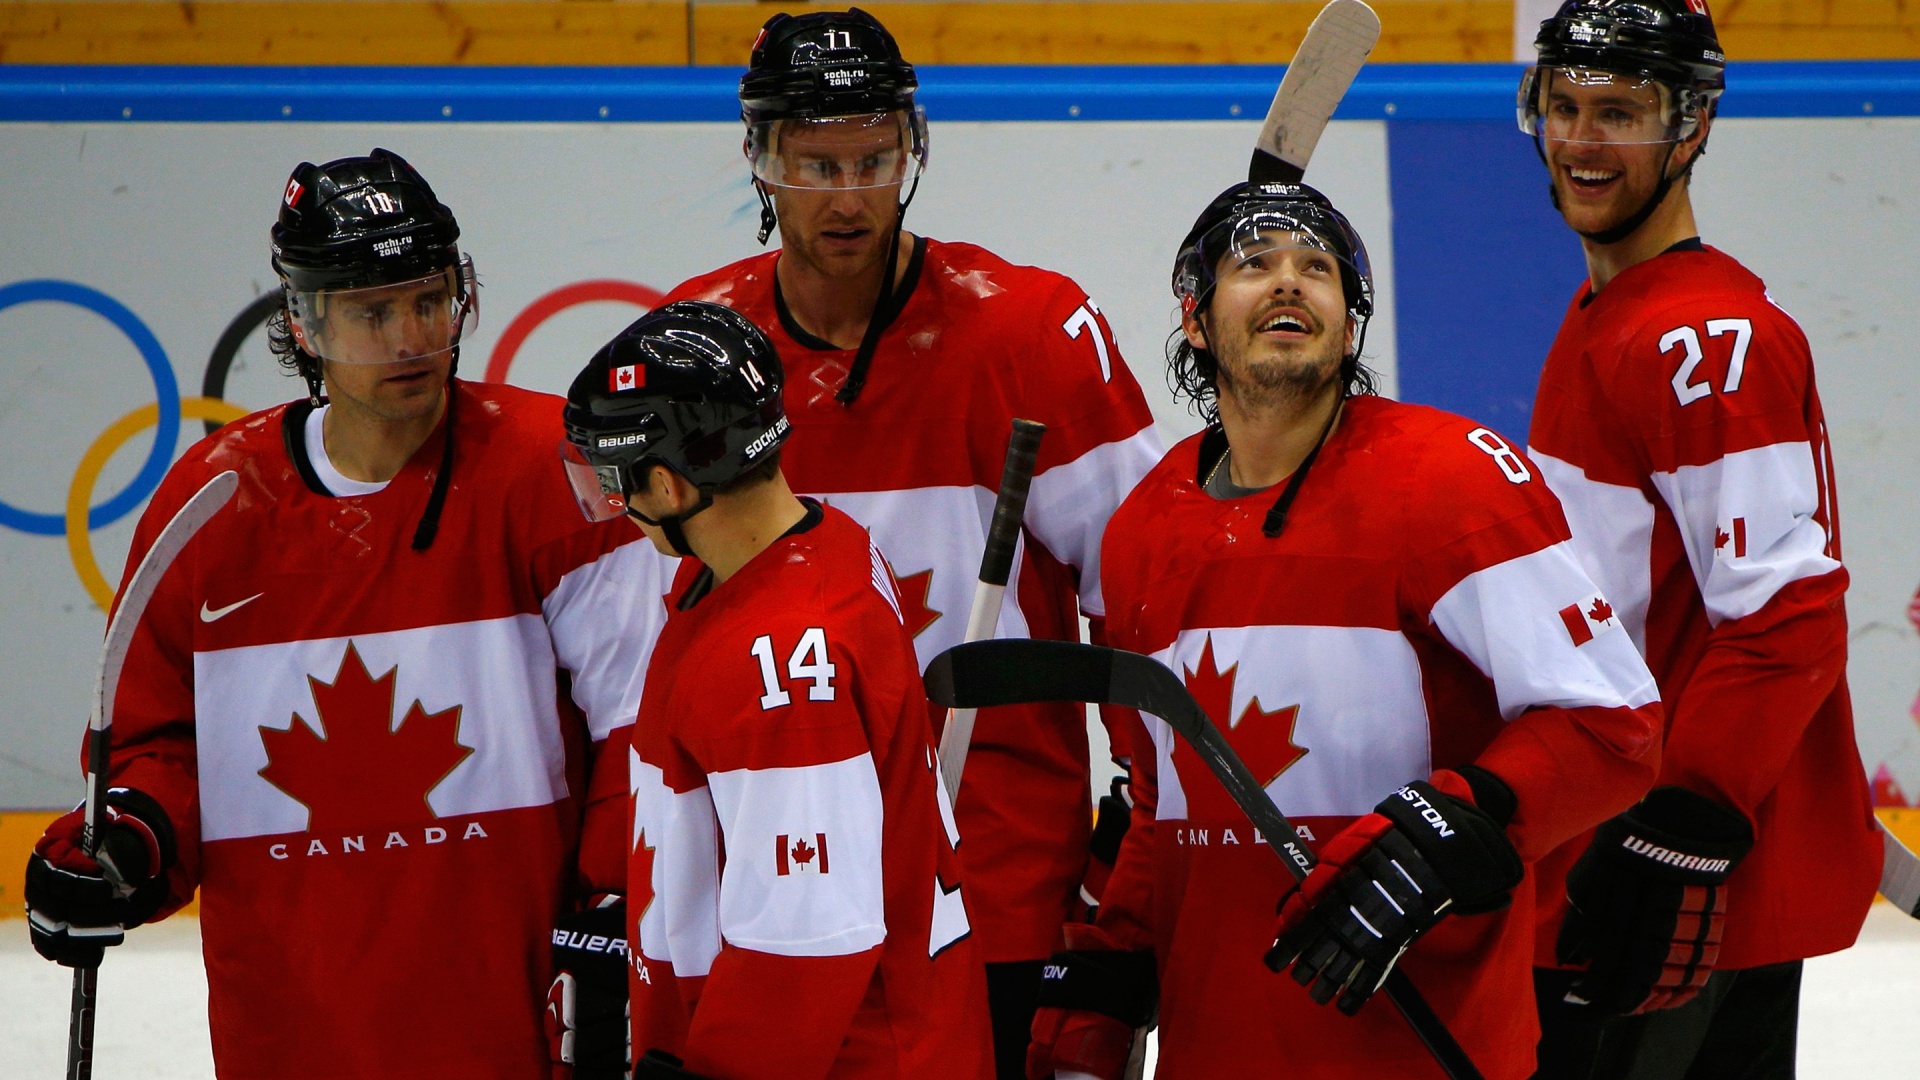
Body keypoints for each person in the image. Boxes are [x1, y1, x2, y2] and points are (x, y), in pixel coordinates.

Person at [23, 149, 667, 1079]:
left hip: (517, 1019)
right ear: (303, 321)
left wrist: (612, 914)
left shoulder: (549, 475)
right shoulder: (211, 507)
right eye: (372, 312)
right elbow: (154, 745)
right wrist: (126, 843)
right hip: (293, 1023)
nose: (412, 335)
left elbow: (642, 724)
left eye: (432, 299)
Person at [1024, 181, 1665, 1080]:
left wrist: (1456, 824)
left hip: (1421, 1051)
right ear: (1196, 321)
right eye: (1255, 265)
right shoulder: (1141, 529)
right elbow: (1158, 805)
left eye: (1317, 269)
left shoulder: (1449, 483)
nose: (1290, 284)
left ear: (1349, 325)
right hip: (1216, 1051)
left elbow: (1615, 726)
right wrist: (1111, 980)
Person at [658, 9, 1163, 1073]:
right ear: (760, 159)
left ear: (912, 154)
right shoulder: (702, 353)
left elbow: (1149, 602)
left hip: (1006, 890)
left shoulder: (1033, 333)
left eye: (873, 159)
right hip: (775, 903)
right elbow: (665, 646)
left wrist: (1138, 851)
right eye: (815, 163)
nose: (848, 196)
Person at [1518, 2, 1880, 1075]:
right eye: (1564, 108)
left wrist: (1685, 823)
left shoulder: (1701, 335)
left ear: (1693, 127)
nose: (1584, 143)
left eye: (1620, 114)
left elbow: (1788, 615)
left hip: (1673, 883)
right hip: (1631, 853)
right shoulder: (1613, 310)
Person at [557, 300, 993, 1079]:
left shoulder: (779, 654)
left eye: (615, 481)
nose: (611, 507)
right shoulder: (819, 544)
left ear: (668, 482)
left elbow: (808, 938)